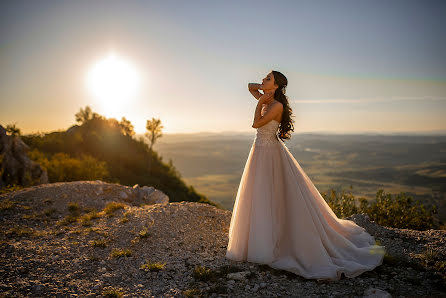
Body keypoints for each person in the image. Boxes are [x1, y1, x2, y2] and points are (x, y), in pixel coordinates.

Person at [225, 70, 386, 281]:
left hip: (268, 152)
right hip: (260, 150)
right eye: (264, 77)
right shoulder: (269, 98)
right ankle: (258, 240)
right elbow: (249, 86)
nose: (263, 80)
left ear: (276, 86)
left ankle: (278, 241)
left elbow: (256, 124)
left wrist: (261, 100)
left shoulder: (276, 105)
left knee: (273, 193)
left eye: (268, 78)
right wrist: (266, 90)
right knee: (259, 194)